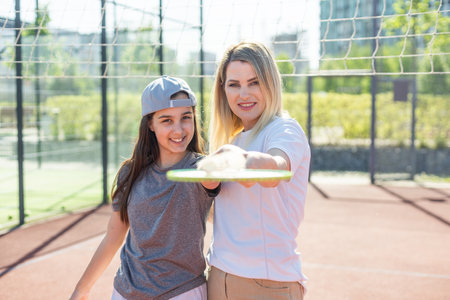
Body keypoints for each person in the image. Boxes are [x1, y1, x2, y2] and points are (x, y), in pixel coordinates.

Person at [70, 76, 220, 300]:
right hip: (126, 291)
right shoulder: (130, 173)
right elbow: (113, 236)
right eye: (166, 120)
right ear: (150, 124)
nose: (178, 130)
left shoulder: (201, 169)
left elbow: (213, 181)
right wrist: (81, 290)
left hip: (181, 292)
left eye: (186, 118)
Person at [205, 41, 311, 299]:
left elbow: (275, 168)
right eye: (234, 84)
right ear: (223, 89)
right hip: (218, 277)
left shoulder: (284, 130)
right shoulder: (231, 140)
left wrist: (243, 161)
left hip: (267, 283)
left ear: (270, 83)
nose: (244, 94)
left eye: (254, 82)